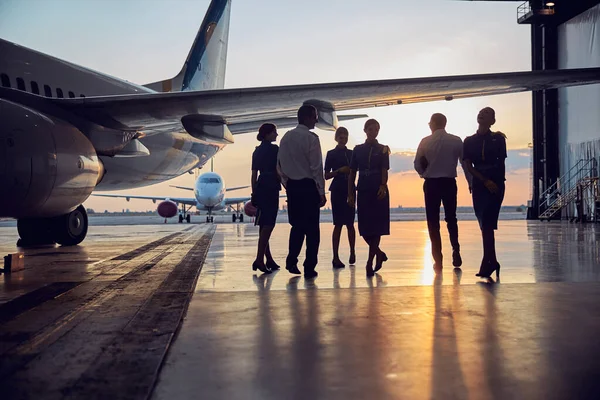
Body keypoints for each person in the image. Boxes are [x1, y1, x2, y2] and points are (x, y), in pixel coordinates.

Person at [414, 113, 470, 272]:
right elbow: (465, 164)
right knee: (451, 218)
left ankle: (438, 259)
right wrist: (470, 183)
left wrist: (424, 172)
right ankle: (456, 249)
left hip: (431, 183)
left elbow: (417, 163)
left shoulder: (425, 141)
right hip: (449, 182)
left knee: (433, 222)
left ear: (432, 124)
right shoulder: (456, 140)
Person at [277, 105, 327, 279]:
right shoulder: (312, 139)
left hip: (293, 188)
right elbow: (316, 167)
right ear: (307, 118)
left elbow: (279, 166)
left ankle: (291, 260)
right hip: (308, 187)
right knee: (313, 231)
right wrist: (321, 191)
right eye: (315, 116)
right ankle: (309, 267)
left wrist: (287, 183)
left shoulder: (285, 138)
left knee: (297, 227)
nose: (316, 120)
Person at [463, 107, 507, 279]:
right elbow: (468, 165)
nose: (482, 114)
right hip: (480, 184)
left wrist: (495, 183)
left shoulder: (498, 139)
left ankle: (487, 260)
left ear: (492, 121)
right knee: (484, 224)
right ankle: (492, 260)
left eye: (487, 113)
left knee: (488, 223)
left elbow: (501, 163)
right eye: (481, 112)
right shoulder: (469, 141)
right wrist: (483, 181)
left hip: (495, 184)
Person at [348, 119, 390, 277]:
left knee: (377, 228)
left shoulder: (383, 149)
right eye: (371, 129)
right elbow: (352, 173)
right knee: (365, 228)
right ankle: (378, 253)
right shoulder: (357, 150)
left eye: (377, 129)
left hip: (378, 189)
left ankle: (369, 262)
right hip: (364, 189)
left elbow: (384, 170)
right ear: (365, 130)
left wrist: (383, 185)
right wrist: (350, 193)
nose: (374, 132)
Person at [250, 123, 281, 274]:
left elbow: (254, 174)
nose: (277, 135)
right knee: (269, 224)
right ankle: (259, 259)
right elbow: (279, 170)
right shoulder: (275, 150)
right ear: (268, 134)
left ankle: (268, 258)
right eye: (275, 132)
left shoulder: (256, 151)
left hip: (261, 187)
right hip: (271, 187)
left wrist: (254, 192)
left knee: (263, 225)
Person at [324, 127, 357, 269]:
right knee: (338, 224)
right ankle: (335, 256)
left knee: (350, 223)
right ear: (336, 138)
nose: (343, 139)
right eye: (341, 137)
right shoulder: (331, 154)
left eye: (345, 137)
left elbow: (355, 171)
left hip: (350, 189)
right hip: (337, 189)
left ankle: (352, 251)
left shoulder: (352, 154)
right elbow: (326, 175)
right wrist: (338, 171)